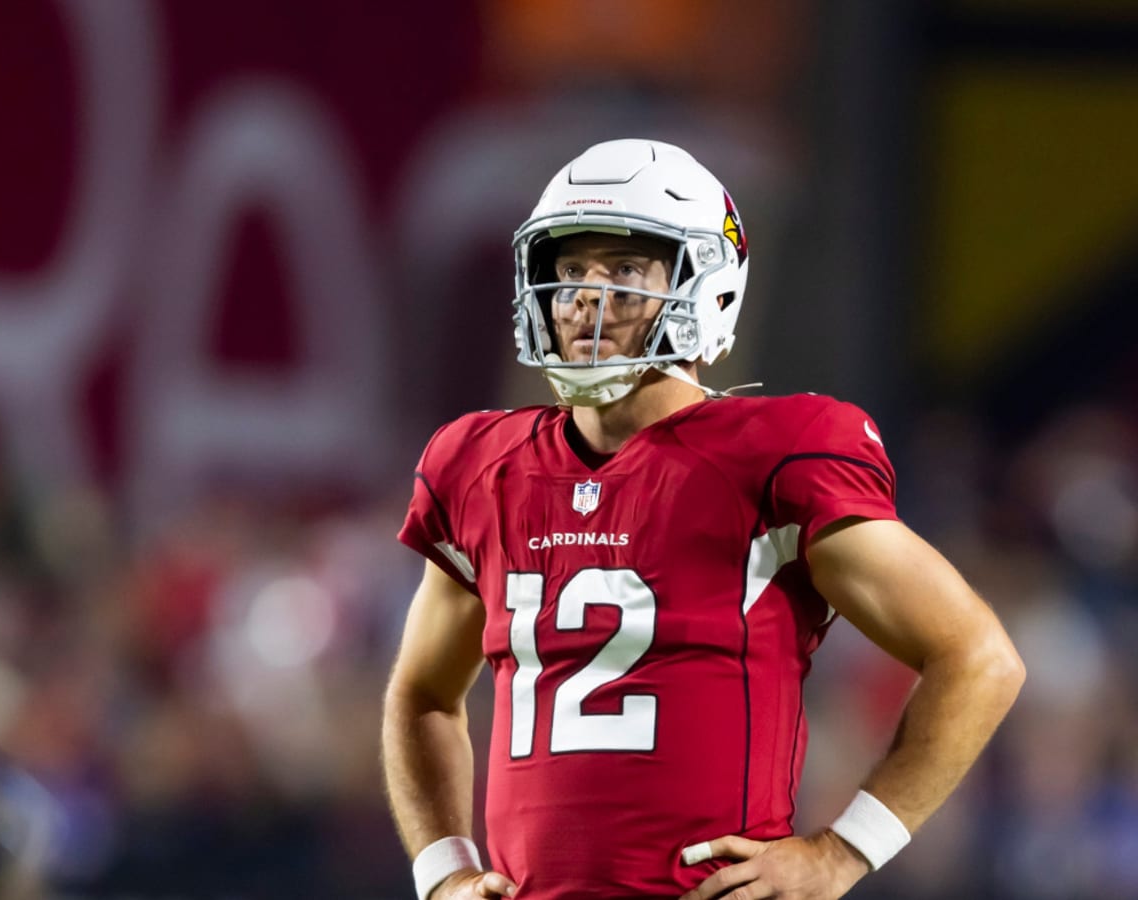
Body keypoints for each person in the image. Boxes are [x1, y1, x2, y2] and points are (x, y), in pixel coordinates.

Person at [382, 138, 1025, 900]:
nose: (588, 294)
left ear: (707, 286)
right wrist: (443, 872)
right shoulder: (479, 465)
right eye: (571, 267)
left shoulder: (776, 452)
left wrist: (843, 852)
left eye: (624, 269)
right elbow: (421, 695)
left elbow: (978, 657)